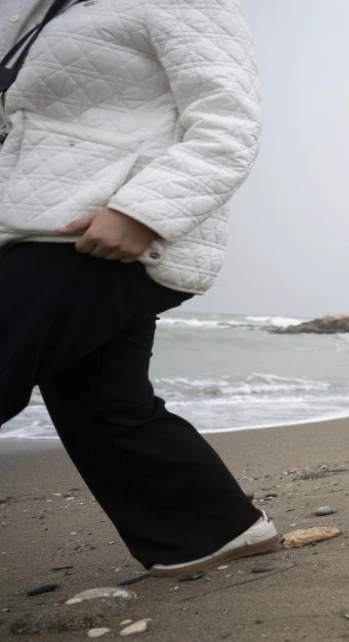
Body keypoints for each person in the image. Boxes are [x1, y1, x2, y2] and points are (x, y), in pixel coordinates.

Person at [0, 0, 277, 575]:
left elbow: (229, 125)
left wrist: (141, 213)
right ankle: (211, 532)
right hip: (31, 225)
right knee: (103, 402)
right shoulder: (33, 10)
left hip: (103, 231)